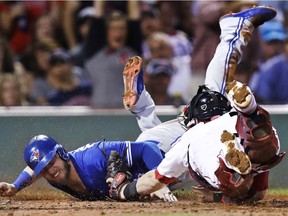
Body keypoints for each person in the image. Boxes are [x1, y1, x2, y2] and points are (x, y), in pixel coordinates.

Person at [113, 6, 285, 204]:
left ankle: (142, 106)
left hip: (168, 142)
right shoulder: (233, 120)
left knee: (158, 153)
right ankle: (142, 107)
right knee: (215, 92)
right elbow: (258, 194)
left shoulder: (193, 136)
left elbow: (153, 176)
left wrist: (127, 190)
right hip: (193, 143)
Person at [0, 134, 176, 201]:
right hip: (142, 183)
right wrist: (15, 186)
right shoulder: (55, 175)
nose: (50, 171)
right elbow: (33, 169)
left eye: (51, 163)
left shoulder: (94, 158)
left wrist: (159, 179)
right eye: (44, 170)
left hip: (168, 155)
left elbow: (147, 147)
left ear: (61, 153)